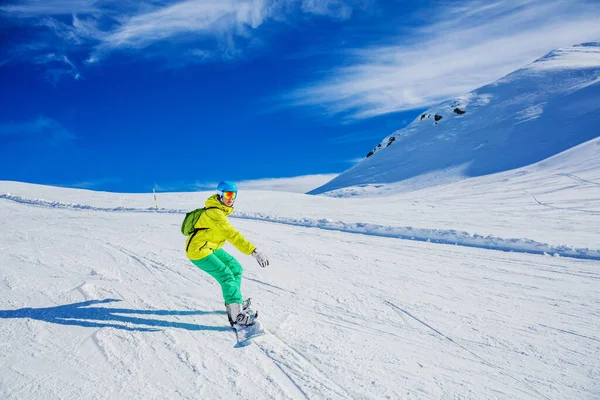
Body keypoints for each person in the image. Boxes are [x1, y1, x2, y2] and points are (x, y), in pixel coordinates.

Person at [185, 181, 269, 327]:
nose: (231, 198)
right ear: (220, 195)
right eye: (228, 194)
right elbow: (232, 235)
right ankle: (237, 317)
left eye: (234, 195)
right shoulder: (215, 213)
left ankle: (234, 302)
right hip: (198, 250)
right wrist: (254, 251)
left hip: (210, 246)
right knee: (226, 275)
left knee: (235, 268)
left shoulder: (219, 210)